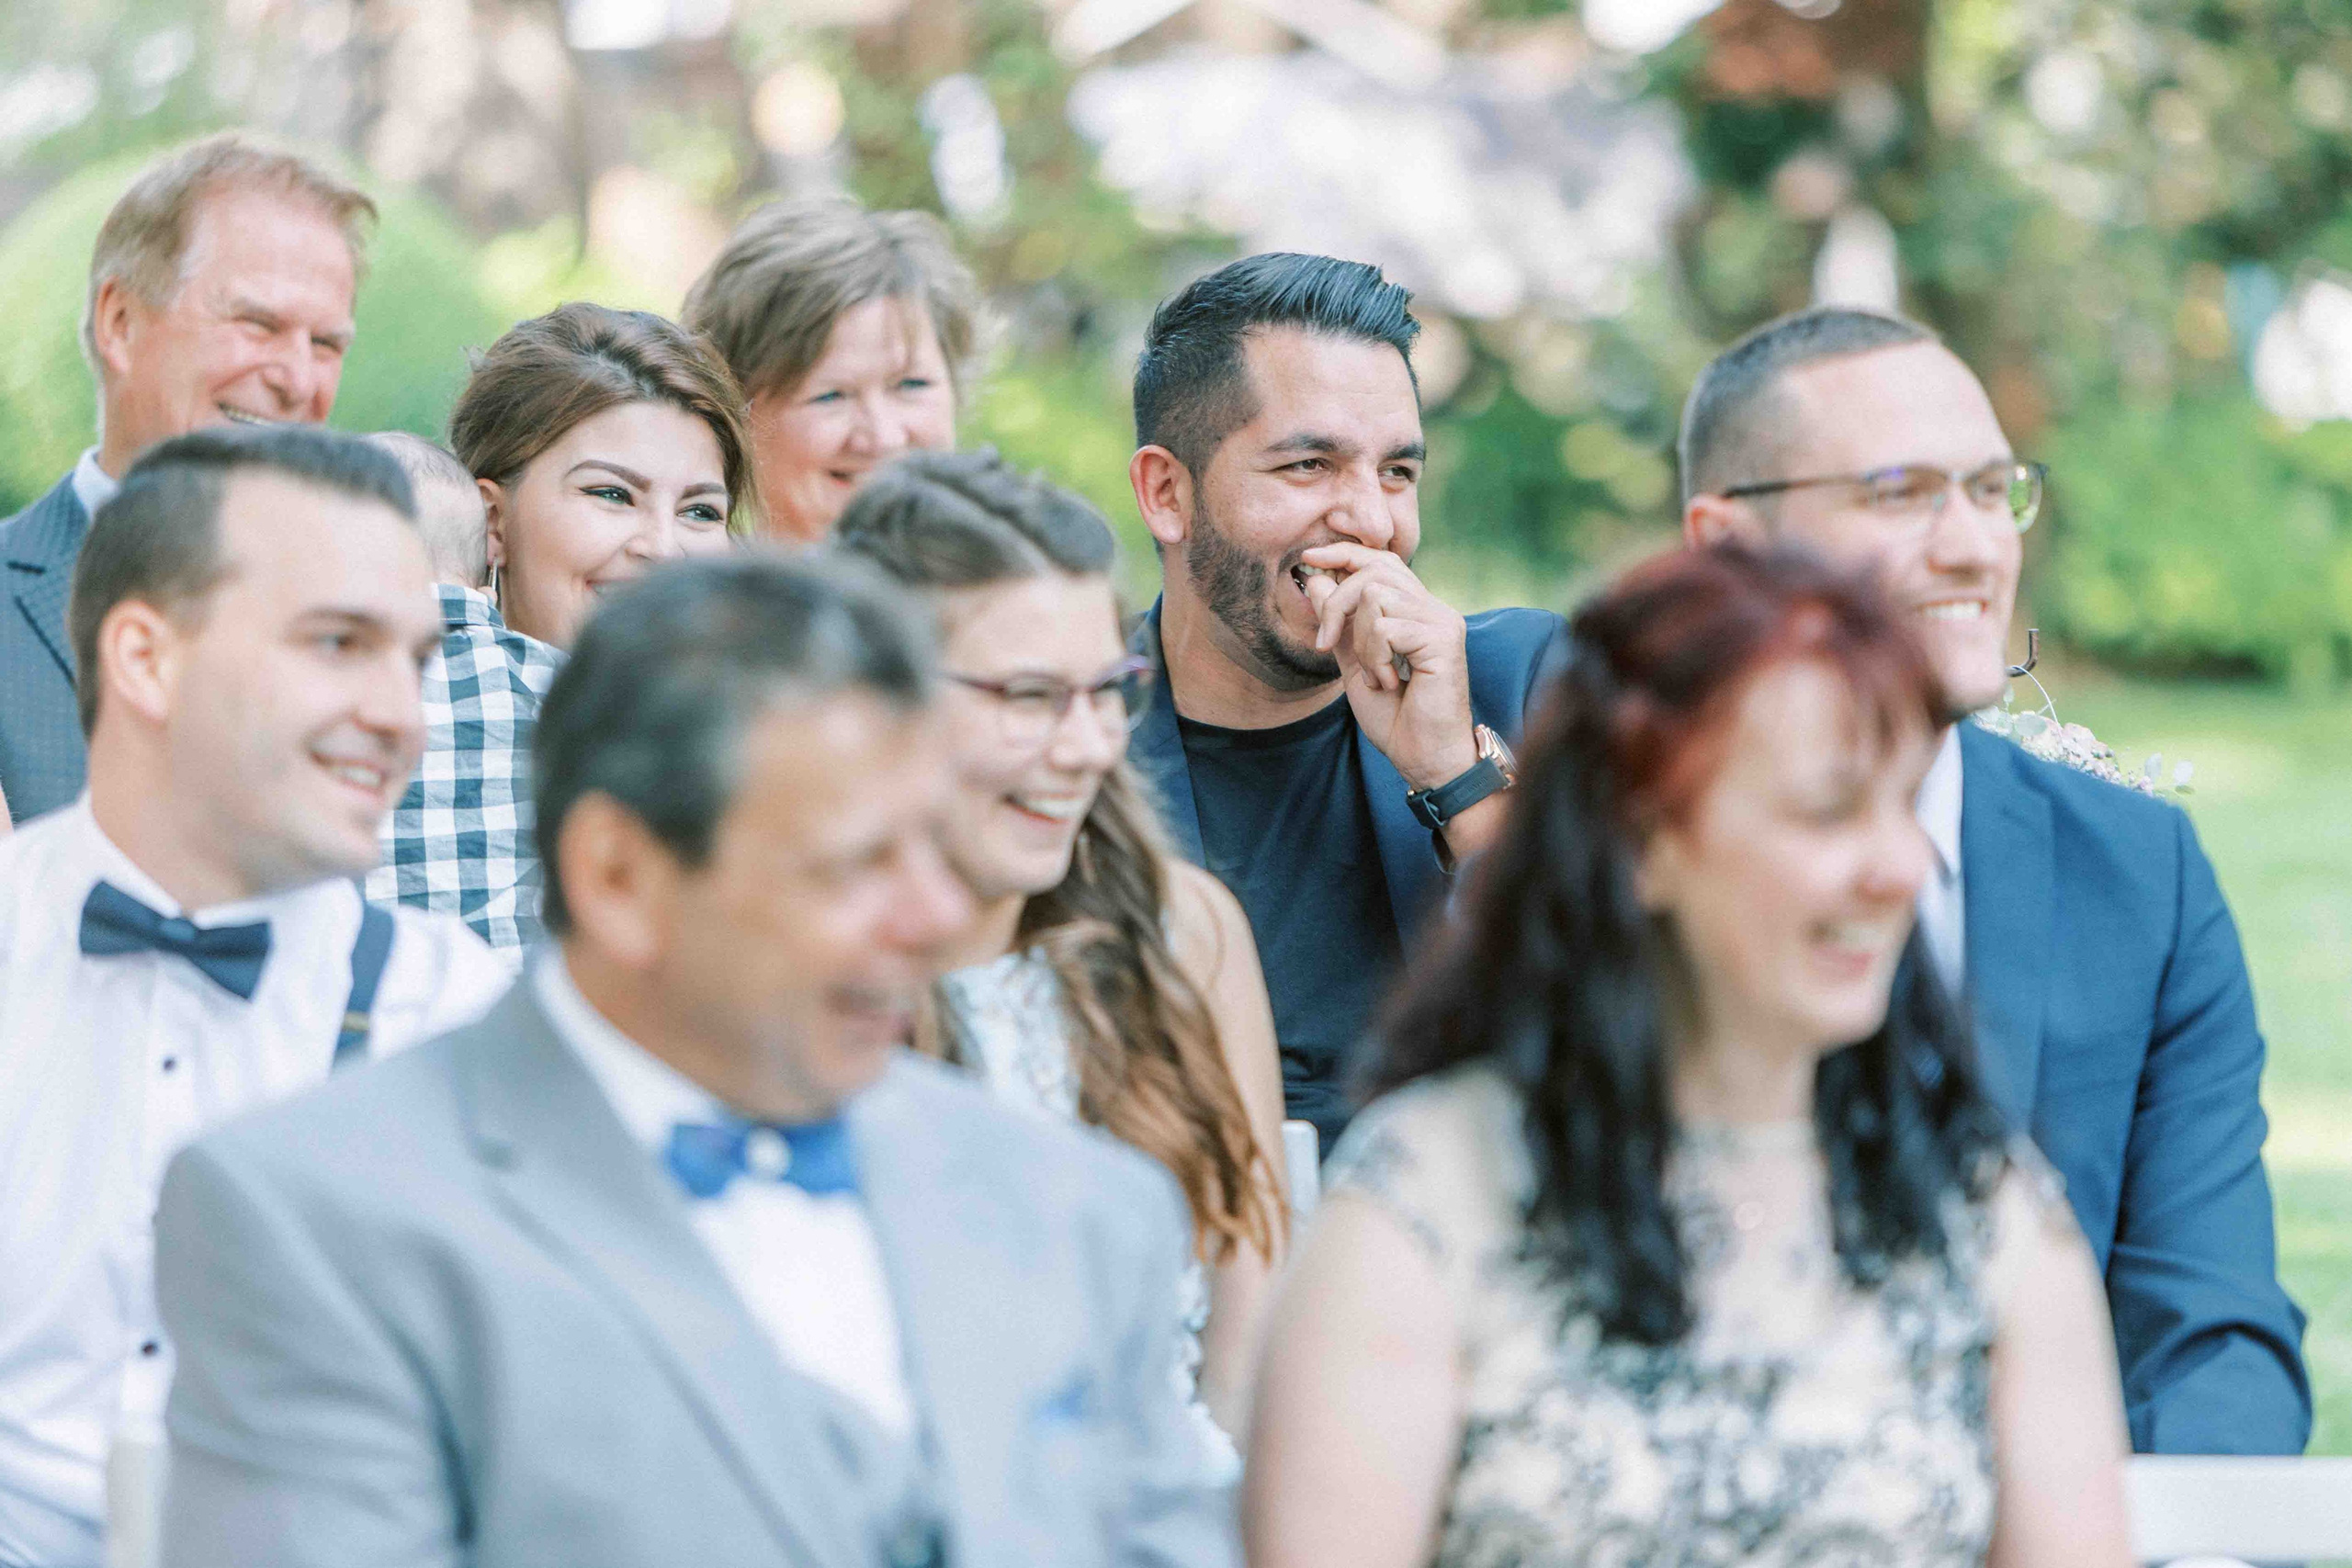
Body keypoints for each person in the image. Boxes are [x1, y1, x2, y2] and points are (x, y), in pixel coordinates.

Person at [152, 554, 1241, 1568]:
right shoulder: (319, 1225)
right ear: (618, 876)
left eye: (938, 849)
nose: (932, 918)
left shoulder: (1080, 1205)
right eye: (856, 864)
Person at [1247, 543, 2133, 1568]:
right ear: (1642, 842)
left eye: (1905, 803)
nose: (1899, 867)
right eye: (1828, 810)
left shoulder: (1986, 1215)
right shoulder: (1424, 1203)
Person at [1679, 305, 2308, 1455]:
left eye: (1988, 489)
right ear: (1728, 545)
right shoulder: (1624, 858)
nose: (1974, 548)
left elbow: (2211, 1328)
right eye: (1901, 493)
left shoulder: (2139, 873)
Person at [0, 426, 511, 1568]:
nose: (402, 717)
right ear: (146, 659)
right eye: (338, 644)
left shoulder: (461, 1024)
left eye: (416, 661)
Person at [834, 449, 1288, 1467]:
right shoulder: (794, 984)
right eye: (1031, 695)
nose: (1088, 746)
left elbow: (1247, 1344)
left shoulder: (1185, 936)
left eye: (1107, 690)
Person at [1124, 253, 1568, 1154]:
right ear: (1167, 493)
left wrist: (1456, 774)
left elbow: (1628, 1016)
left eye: (1397, 471)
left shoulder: (1525, 683)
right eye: (1308, 465)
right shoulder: (1063, 737)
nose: (1371, 521)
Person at [0, 132, 373, 826]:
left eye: (326, 343)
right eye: (258, 323)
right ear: (119, 323)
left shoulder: (369, 620)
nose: (298, 380)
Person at [372, 304, 752, 952]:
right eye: (612, 494)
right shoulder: (371, 724)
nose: (663, 548)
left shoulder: (756, 758)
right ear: (493, 522)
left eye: (700, 511)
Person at [683, 194, 976, 542]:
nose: (885, 437)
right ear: (733, 417)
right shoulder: (669, 571)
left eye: (911, 384)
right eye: (831, 395)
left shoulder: (1022, 567)